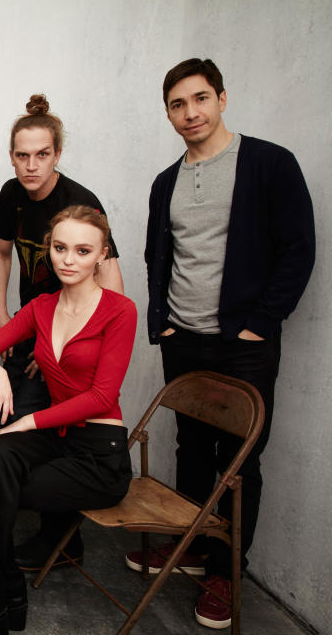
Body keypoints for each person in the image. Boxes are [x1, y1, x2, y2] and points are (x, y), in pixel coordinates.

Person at [136, 58, 315, 630]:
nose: (190, 113)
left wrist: (261, 323)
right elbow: (157, 255)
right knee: (190, 446)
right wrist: (161, 320)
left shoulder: (267, 163)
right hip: (183, 337)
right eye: (177, 104)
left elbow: (298, 249)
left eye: (200, 99)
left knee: (239, 461)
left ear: (222, 98)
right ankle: (189, 546)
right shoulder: (167, 181)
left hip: (243, 343)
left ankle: (225, 567)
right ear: (167, 112)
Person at [0, 206, 136, 634]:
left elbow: (101, 396)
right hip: (57, 436)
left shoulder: (119, 310)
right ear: (49, 250)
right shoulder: (41, 306)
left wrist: (28, 422)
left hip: (98, 455)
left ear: (101, 255)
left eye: (82, 250)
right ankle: (0, 593)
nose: (68, 260)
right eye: (60, 248)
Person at [0, 94, 124, 570]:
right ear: (11, 156)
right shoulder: (11, 194)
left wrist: (75, 338)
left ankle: (60, 540)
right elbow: (1, 253)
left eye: (42, 154)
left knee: (44, 425)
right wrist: (2, 316)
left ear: (57, 154)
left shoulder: (80, 203)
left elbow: (110, 280)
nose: (31, 165)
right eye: (22, 155)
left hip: (70, 333)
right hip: (38, 324)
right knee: (4, 421)